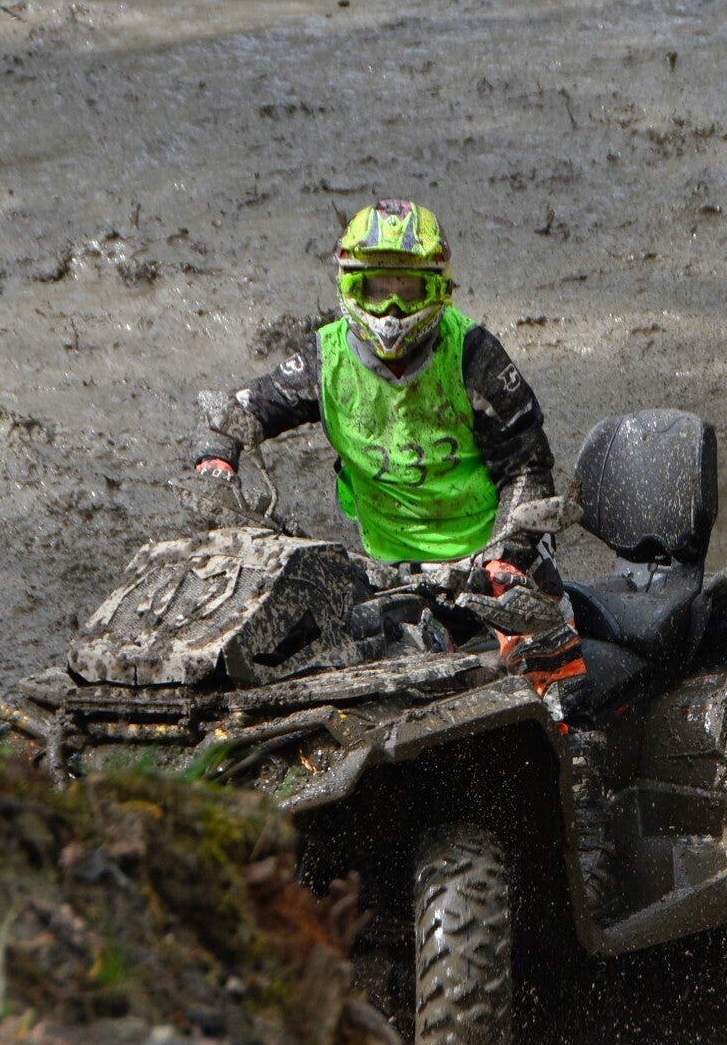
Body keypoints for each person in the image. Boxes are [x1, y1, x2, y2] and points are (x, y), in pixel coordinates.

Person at [188, 198, 592, 722]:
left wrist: (507, 554)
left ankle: (578, 746)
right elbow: (233, 414)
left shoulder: (474, 355)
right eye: (378, 289)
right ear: (351, 288)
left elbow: (529, 468)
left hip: (493, 559)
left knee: (551, 675)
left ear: (438, 289)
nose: (393, 309)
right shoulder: (326, 360)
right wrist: (216, 466)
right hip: (387, 570)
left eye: (409, 289)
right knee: (318, 666)